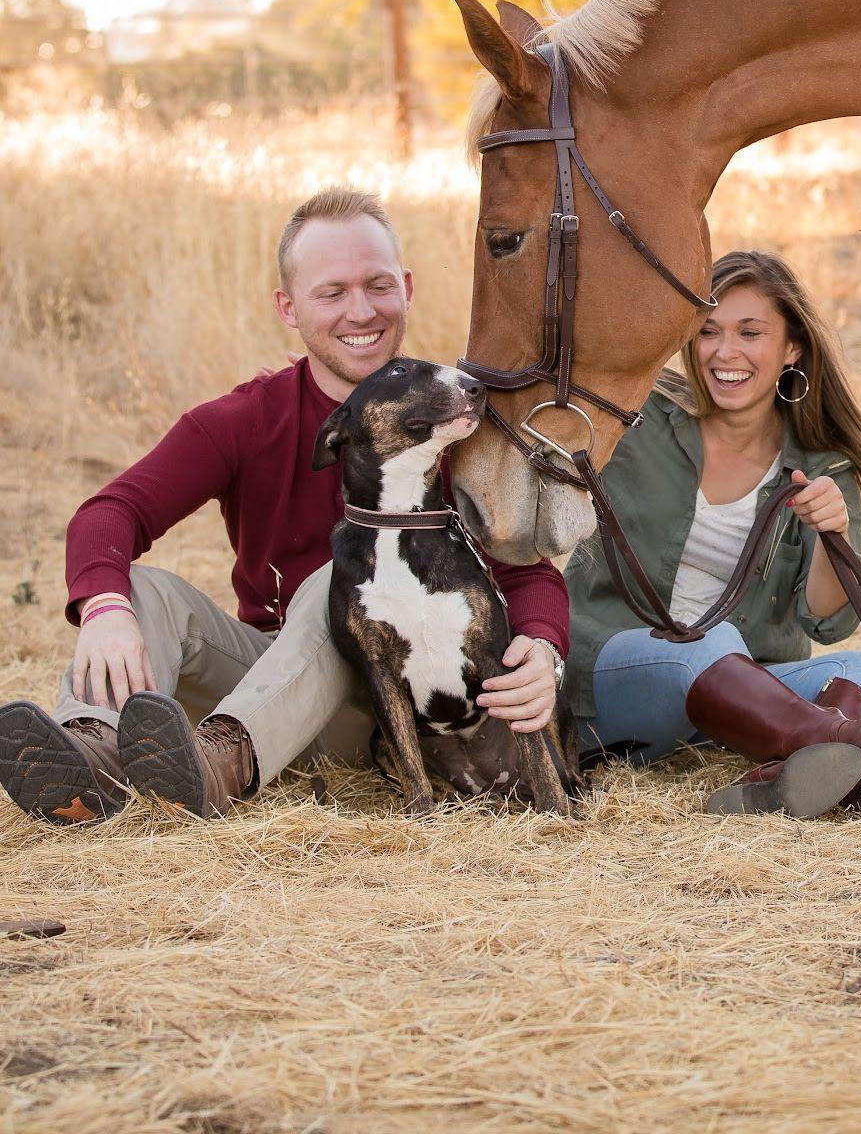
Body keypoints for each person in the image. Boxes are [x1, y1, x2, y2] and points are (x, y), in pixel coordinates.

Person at [0, 187, 568, 825]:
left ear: (407, 288)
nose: (361, 311)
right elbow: (110, 513)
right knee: (138, 587)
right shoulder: (244, 419)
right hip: (269, 678)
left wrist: (542, 651)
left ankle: (223, 765)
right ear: (288, 308)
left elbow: (525, 565)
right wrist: (105, 610)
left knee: (344, 574)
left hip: (384, 705)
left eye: (379, 286)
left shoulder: (446, 416)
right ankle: (89, 755)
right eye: (331, 293)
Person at [565, 249, 861, 819]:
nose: (725, 352)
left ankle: (777, 781)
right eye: (708, 331)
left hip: (736, 709)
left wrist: (831, 533)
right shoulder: (637, 417)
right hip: (615, 680)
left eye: (750, 332)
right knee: (707, 644)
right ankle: (850, 748)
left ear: (792, 349)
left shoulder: (824, 467)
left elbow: (829, 622)